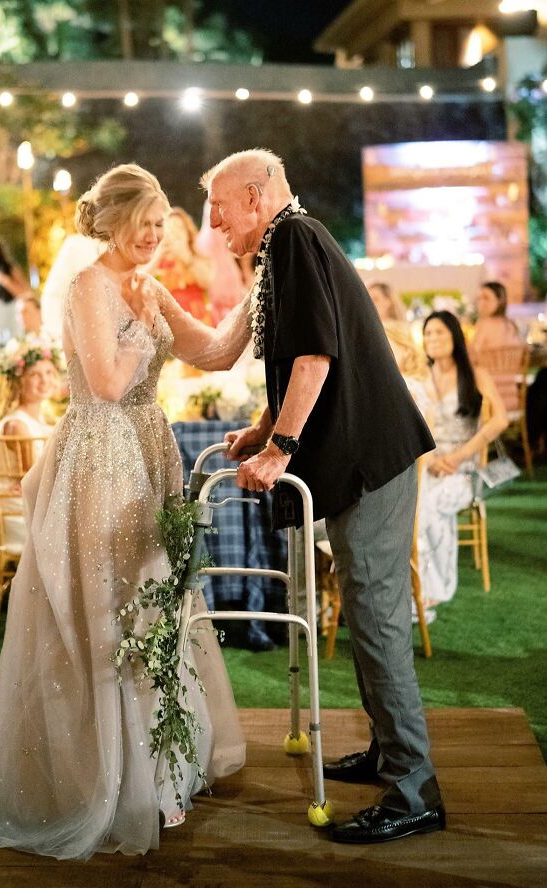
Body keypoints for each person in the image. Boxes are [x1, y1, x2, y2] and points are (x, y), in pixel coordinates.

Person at [0, 163, 251, 859]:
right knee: (112, 607)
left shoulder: (148, 287)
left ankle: (160, 770)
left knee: (158, 604)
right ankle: (111, 779)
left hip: (149, 451)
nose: (156, 236)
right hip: (101, 459)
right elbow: (106, 381)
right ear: (116, 221)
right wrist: (141, 321)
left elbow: (214, 352)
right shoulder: (91, 286)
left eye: (160, 224)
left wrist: (259, 296)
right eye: (146, 223)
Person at [203, 148, 444, 844]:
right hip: (366, 458)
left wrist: (280, 449)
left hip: (371, 461)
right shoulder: (291, 240)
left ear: (255, 197)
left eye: (219, 209)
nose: (214, 224)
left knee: (376, 621)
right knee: (368, 615)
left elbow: (316, 356)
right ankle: (388, 754)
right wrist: (264, 428)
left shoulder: (293, 240)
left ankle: (414, 789)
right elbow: (304, 359)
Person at [416, 311, 507, 611]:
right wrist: (431, 459)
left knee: (430, 505)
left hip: (464, 470)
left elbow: (500, 420)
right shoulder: (421, 378)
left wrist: (458, 457)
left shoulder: (475, 374)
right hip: (429, 466)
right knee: (413, 504)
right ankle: (415, 584)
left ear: (454, 336)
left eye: (439, 332)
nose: (433, 338)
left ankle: (434, 587)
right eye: (428, 333)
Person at [0, 343, 61, 550]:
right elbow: (32, 478)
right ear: (19, 382)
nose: (44, 380)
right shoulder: (18, 425)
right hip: (21, 511)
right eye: (35, 375)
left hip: (34, 502)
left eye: (48, 372)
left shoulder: (41, 417)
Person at [146, 207, 213, 325]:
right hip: (171, 323)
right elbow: (139, 281)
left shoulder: (196, 256)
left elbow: (208, 281)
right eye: (169, 229)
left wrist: (186, 257)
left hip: (200, 320)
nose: (174, 233)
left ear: (187, 233)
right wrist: (157, 257)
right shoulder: (154, 259)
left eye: (178, 229)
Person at [471, 281, 521, 355]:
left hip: (488, 362)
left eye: (486, 298)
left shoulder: (485, 323)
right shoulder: (510, 324)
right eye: (479, 298)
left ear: (500, 301)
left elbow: (474, 353)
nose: (481, 302)